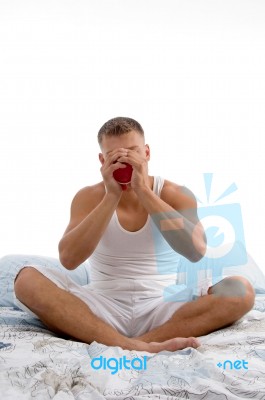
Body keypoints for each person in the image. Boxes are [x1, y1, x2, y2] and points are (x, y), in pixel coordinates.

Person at [14, 117, 255, 353]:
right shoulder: (89, 196)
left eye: (133, 151)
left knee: (241, 291)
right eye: (114, 156)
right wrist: (111, 196)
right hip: (101, 307)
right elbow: (69, 259)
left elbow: (196, 251)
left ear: (147, 153)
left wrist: (143, 191)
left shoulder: (175, 193)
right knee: (26, 280)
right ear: (102, 160)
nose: (125, 160)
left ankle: (134, 342)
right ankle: (137, 346)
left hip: (163, 307)